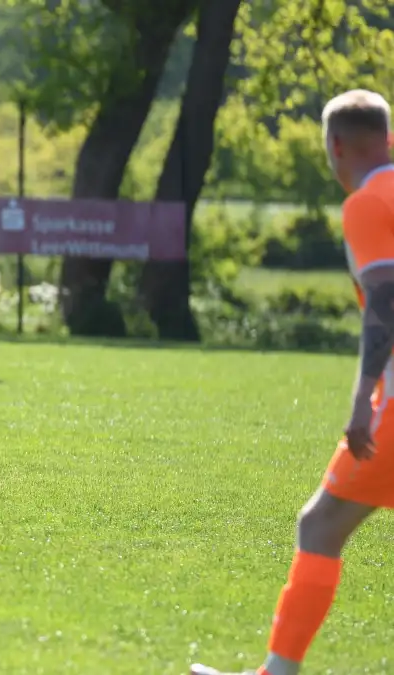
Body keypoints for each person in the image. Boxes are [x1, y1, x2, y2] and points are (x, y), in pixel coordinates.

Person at [191, 89, 394, 675]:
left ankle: (277, 673)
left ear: (333, 148)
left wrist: (362, 399)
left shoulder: (365, 204)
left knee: (320, 525)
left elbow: (384, 300)